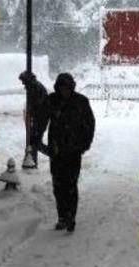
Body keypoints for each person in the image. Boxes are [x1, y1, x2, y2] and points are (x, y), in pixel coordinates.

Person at [32, 72, 95, 232]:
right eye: (62, 88)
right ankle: (62, 216)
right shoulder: (52, 101)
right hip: (56, 151)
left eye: (67, 88)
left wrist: (84, 145)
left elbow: (89, 124)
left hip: (74, 151)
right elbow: (41, 120)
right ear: (57, 88)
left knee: (71, 185)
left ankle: (71, 217)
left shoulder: (81, 102)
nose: (64, 91)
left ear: (72, 87)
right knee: (58, 186)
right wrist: (37, 138)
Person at [19, 70, 48, 168]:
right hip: (40, 118)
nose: (22, 83)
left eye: (23, 81)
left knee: (34, 141)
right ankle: (31, 161)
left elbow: (37, 105)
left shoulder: (34, 87)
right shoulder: (35, 86)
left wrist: (31, 112)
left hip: (40, 119)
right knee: (34, 141)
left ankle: (33, 161)